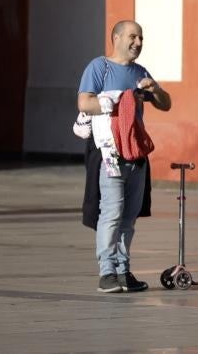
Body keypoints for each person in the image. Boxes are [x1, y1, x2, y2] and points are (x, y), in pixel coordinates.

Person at [77, 20, 171, 294]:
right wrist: (113, 100)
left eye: (141, 38)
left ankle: (122, 269)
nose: (138, 43)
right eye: (132, 37)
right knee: (112, 212)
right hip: (110, 152)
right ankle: (107, 272)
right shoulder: (99, 67)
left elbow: (165, 104)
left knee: (129, 216)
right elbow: (84, 102)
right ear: (116, 38)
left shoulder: (140, 72)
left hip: (136, 153)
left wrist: (154, 90)